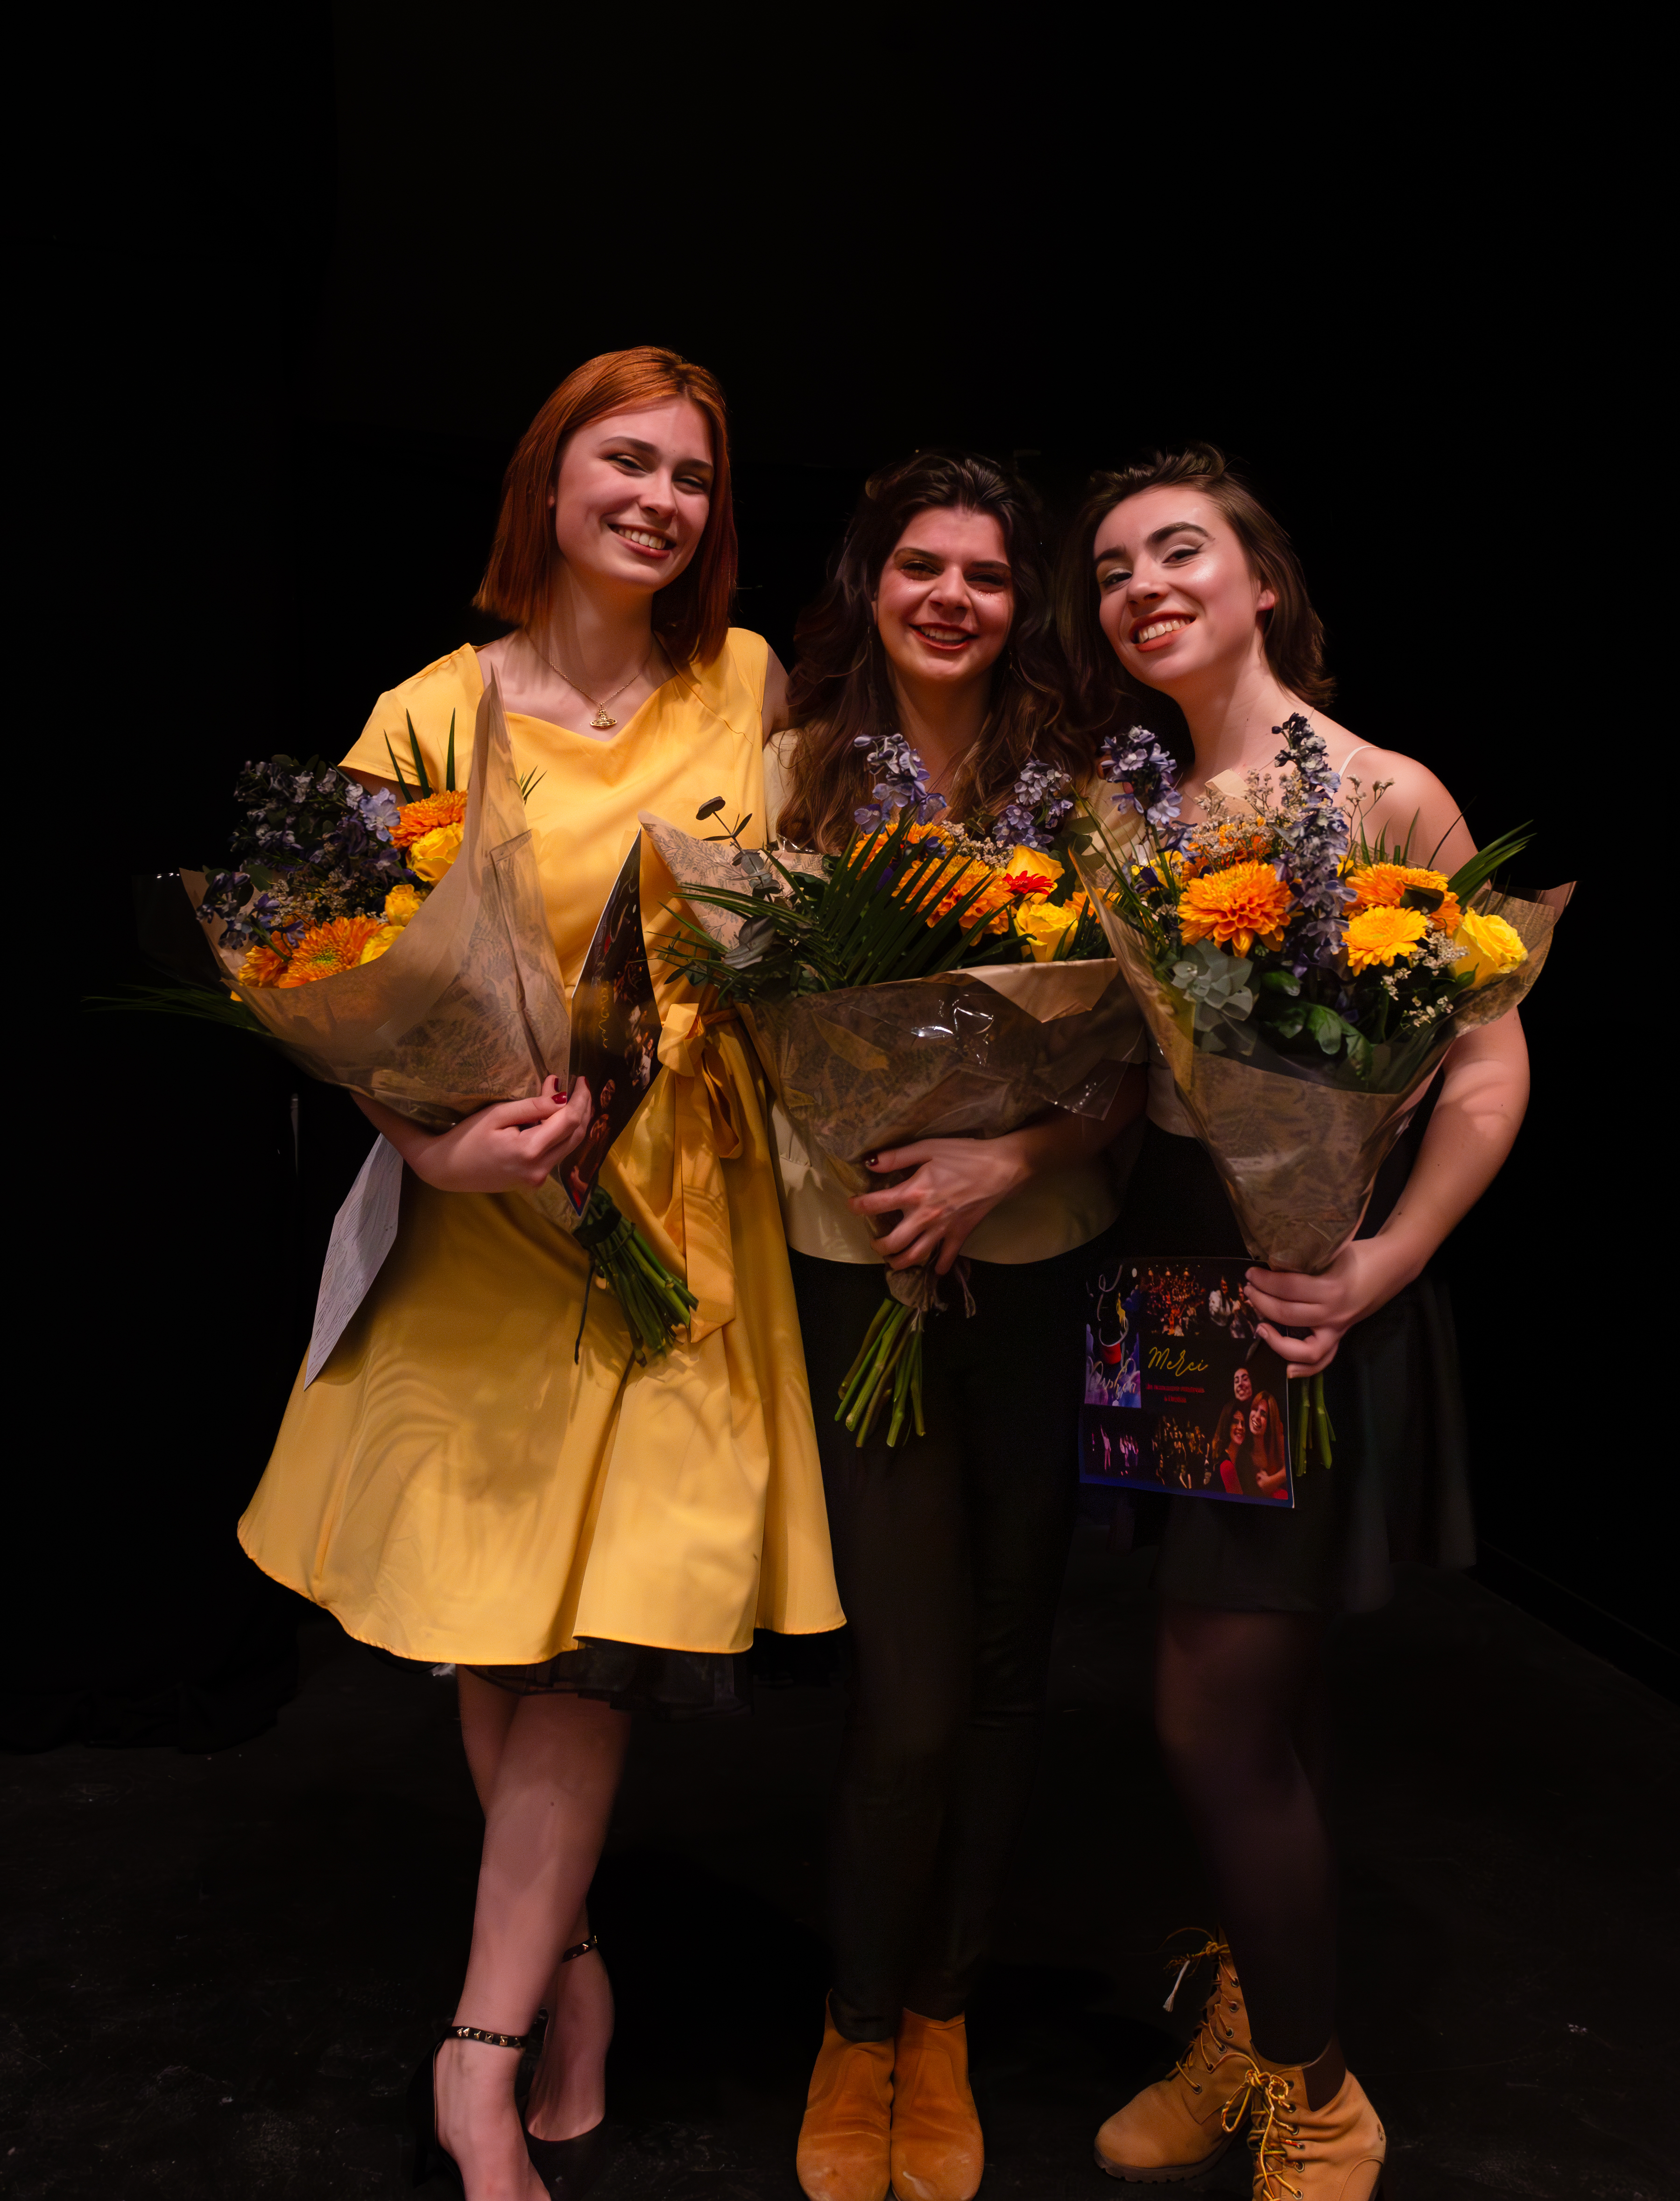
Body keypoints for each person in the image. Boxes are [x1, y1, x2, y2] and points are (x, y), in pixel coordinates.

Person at [239, 347, 841, 2201]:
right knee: (506, 1623)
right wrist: (428, 1140)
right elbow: (303, 964)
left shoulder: (748, 684)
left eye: (693, 479)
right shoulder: (427, 711)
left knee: (595, 1649)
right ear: (549, 483)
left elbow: (812, 909)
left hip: (680, 1225)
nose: (661, 501)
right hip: (490, 1229)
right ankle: (563, 1972)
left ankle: (476, 2055)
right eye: (628, 464)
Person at [1059, 445, 1528, 2200]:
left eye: (1177, 550)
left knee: (1214, 1711)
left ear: (1263, 580)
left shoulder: (1391, 789)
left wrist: (1383, 1260)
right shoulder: (1131, 822)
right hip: (1163, 1274)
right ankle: (1257, 2027)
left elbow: (1486, 1058)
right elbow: (1117, 1087)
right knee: (1266, 1700)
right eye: (1109, 570)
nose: (1140, 585)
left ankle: (1320, 2092)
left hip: (1316, 1279)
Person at [769, 452, 1146, 2201]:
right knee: (909, 1690)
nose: (949, 597)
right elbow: (742, 1005)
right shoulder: (783, 771)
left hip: (1041, 1253)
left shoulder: (1081, 790)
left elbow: (1142, 1046)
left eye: (985, 576)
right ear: (871, 582)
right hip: (857, 1260)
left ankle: (944, 2014)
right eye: (919, 566)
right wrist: (879, 1168)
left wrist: (1011, 1149)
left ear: (1021, 603)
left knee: (1009, 1663)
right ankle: (854, 2021)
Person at [1245, 1392, 1288, 1500]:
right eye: (1255, 1409)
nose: (1257, 1417)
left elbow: (1291, 1468)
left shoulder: (1279, 1441)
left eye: (1264, 1414)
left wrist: (1271, 1481)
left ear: (1270, 1422)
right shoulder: (1244, 1451)